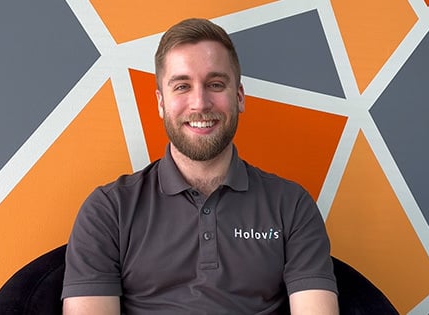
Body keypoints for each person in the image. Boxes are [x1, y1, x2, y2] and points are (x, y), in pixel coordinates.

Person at [62, 18, 338, 314]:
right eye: (182, 86)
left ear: (240, 96)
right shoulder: (108, 210)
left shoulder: (292, 205)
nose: (200, 103)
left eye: (215, 84)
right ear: (160, 103)